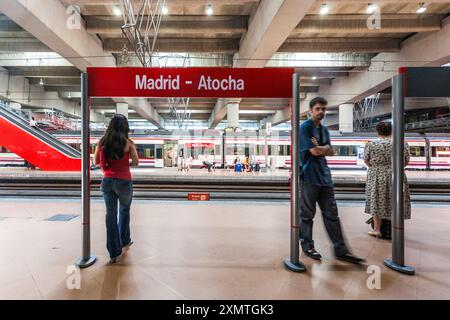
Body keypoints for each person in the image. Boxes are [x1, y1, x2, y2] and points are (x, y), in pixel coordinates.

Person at [299, 97, 364, 264]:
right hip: (309, 176)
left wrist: (322, 148)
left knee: (332, 215)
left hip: (325, 177)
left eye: (323, 109)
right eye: (318, 109)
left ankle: (341, 250)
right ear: (311, 111)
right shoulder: (304, 128)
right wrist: (323, 148)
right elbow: (314, 151)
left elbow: (331, 151)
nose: (321, 111)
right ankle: (308, 246)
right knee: (307, 215)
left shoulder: (324, 129)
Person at [94, 114, 139, 264]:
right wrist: (125, 165)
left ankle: (114, 252)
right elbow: (136, 162)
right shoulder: (129, 143)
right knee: (124, 211)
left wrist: (109, 168)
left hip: (107, 181)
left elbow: (96, 161)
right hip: (124, 182)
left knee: (110, 215)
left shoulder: (102, 142)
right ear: (125, 127)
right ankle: (125, 240)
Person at [364, 121, 411, 237]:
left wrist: (376, 166)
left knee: (377, 200)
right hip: (397, 175)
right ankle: (396, 229)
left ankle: (377, 230)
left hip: (377, 175)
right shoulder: (402, 144)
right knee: (396, 201)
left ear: (377, 131)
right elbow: (406, 161)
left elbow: (366, 160)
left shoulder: (371, 145)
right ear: (392, 131)